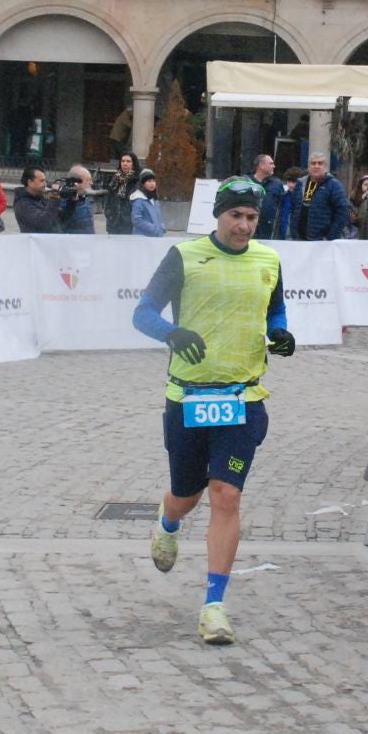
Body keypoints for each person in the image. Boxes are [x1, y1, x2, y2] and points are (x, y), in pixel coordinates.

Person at [130, 176, 295, 646]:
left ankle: (214, 607)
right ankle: (168, 521)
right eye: (235, 216)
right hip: (189, 399)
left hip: (243, 398)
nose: (244, 226)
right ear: (218, 215)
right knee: (188, 494)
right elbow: (142, 312)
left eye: (251, 218)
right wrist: (170, 333)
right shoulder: (184, 257)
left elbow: (275, 312)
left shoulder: (269, 260)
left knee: (226, 494)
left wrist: (281, 335)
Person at [292, 152, 348, 241]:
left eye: (320, 163)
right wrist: (293, 233)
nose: (316, 166)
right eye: (313, 163)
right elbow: (294, 208)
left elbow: (342, 213)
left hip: (322, 240)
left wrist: (330, 237)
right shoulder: (300, 184)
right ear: (309, 167)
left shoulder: (334, 185)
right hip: (299, 239)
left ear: (325, 167)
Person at [250, 154, 284, 240]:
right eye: (271, 163)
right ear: (261, 165)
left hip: (270, 232)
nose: (274, 166)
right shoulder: (245, 182)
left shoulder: (277, 184)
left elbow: (282, 207)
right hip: (249, 229)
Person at [106, 151, 140, 236]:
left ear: (133, 164)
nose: (125, 164)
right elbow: (108, 200)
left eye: (128, 161)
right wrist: (109, 214)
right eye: (123, 161)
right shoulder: (115, 179)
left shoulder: (138, 181)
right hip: (113, 223)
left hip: (129, 225)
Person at [130, 168, 166, 237]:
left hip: (155, 236)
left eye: (153, 181)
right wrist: (153, 228)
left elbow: (158, 217)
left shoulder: (154, 199)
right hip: (143, 238)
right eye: (149, 181)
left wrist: (161, 226)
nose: (152, 183)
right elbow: (137, 220)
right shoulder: (139, 200)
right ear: (143, 184)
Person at [61, 164, 96, 233]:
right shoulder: (64, 202)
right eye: (89, 180)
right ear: (76, 182)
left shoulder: (85, 198)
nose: (91, 183)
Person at [274, 166, 305, 240]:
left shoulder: (304, 197)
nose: (290, 185)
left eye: (294, 182)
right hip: (282, 234)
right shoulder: (283, 195)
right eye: (289, 181)